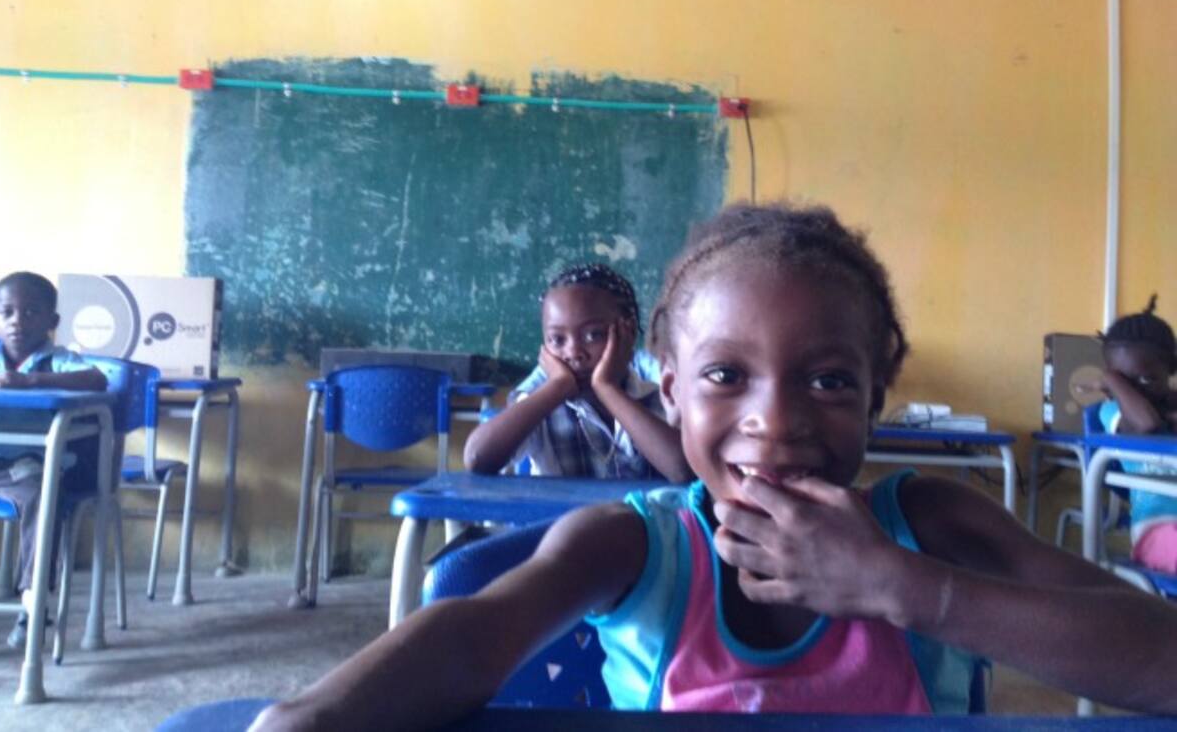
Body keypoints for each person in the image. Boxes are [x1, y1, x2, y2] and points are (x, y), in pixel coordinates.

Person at [253, 203, 1177, 731]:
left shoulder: (931, 523)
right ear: (670, 389)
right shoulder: (630, 543)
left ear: (876, 392)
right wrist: (306, 717)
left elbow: (1157, 658)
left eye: (828, 379)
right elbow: (473, 636)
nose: (776, 422)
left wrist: (904, 587)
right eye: (727, 376)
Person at [463, 263, 688, 482]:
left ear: (627, 332)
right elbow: (476, 459)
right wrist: (558, 386)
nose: (574, 353)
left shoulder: (658, 397)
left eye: (593, 335)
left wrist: (607, 389)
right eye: (557, 339)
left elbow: (683, 470)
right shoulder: (540, 407)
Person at [0, 271, 108, 647]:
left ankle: (32, 604)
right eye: (7, 313)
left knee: (42, 496)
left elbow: (96, 380)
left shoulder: (59, 360)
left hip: (25, 466)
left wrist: (31, 382)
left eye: (31, 312)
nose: (18, 321)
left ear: (52, 321)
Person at [1091, 296, 1177, 573]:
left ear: (1171, 369)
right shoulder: (1112, 412)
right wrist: (1111, 379)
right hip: (1158, 531)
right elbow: (1146, 424)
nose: (1135, 390)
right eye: (1123, 381)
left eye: (1146, 379)